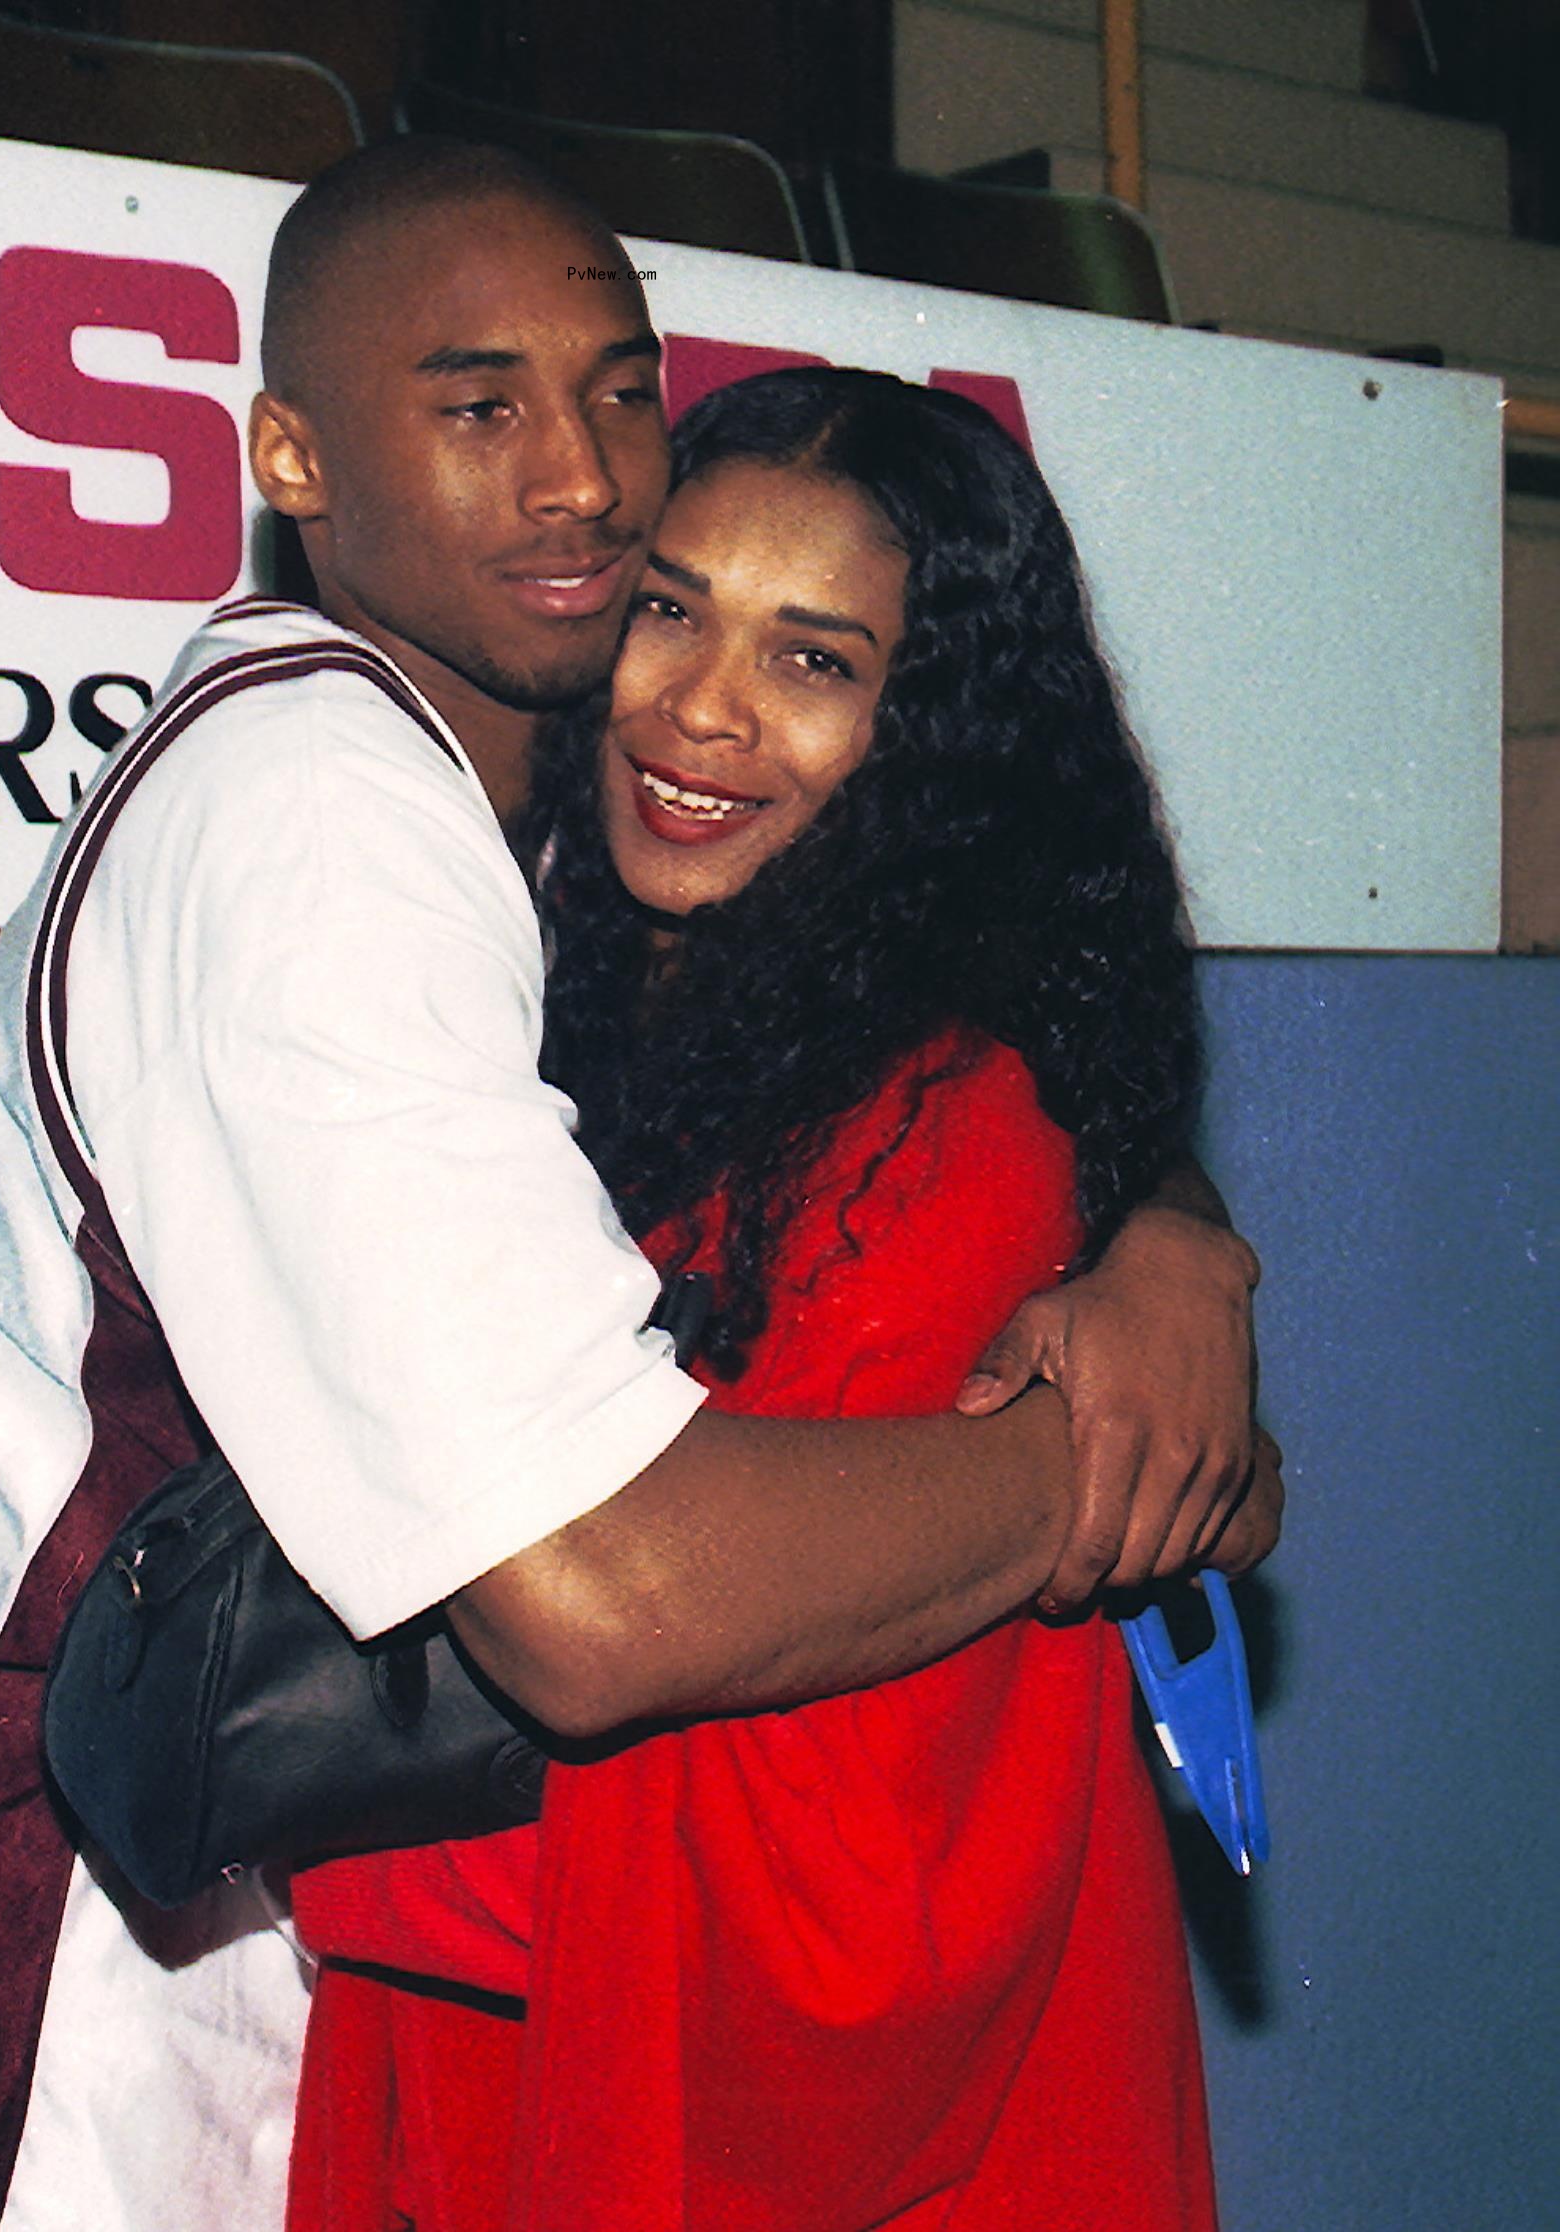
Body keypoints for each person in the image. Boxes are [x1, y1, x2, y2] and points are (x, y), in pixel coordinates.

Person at [0, 141, 1276, 2232]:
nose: (584, 484)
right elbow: (596, 1605)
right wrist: (1110, 1467)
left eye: (617, 392)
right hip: (121, 1953)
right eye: (479, 407)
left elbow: (841, 1867)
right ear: (294, 453)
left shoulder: (545, 850)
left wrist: (1161, 1229)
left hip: (511, 2028)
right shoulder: (343, 822)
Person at [281, 366, 1238, 2231]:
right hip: (525, 2069)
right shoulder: (545, 992)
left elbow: (843, 1906)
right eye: (670, 607)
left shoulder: (944, 1132)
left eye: (815, 660)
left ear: (925, 736)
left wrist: (326, 1828)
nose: (700, 708)